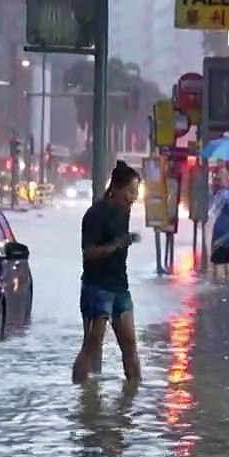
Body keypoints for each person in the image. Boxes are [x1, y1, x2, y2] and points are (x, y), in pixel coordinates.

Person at [72, 162, 142, 384]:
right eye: (130, 191)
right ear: (117, 188)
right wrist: (114, 245)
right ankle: (82, 398)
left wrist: (127, 240)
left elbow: (121, 241)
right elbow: (88, 252)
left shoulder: (125, 212)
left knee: (130, 345)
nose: (133, 198)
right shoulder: (95, 215)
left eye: (136, 192)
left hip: (121, 287)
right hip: (96, 288)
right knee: (92, 346)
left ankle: (132, 399)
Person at [208, 170, 229, 280]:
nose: (218, 182)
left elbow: (212, 212)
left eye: (219, 179)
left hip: (221, 234)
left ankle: (220, 288)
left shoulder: (222, 194)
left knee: (219, 264)